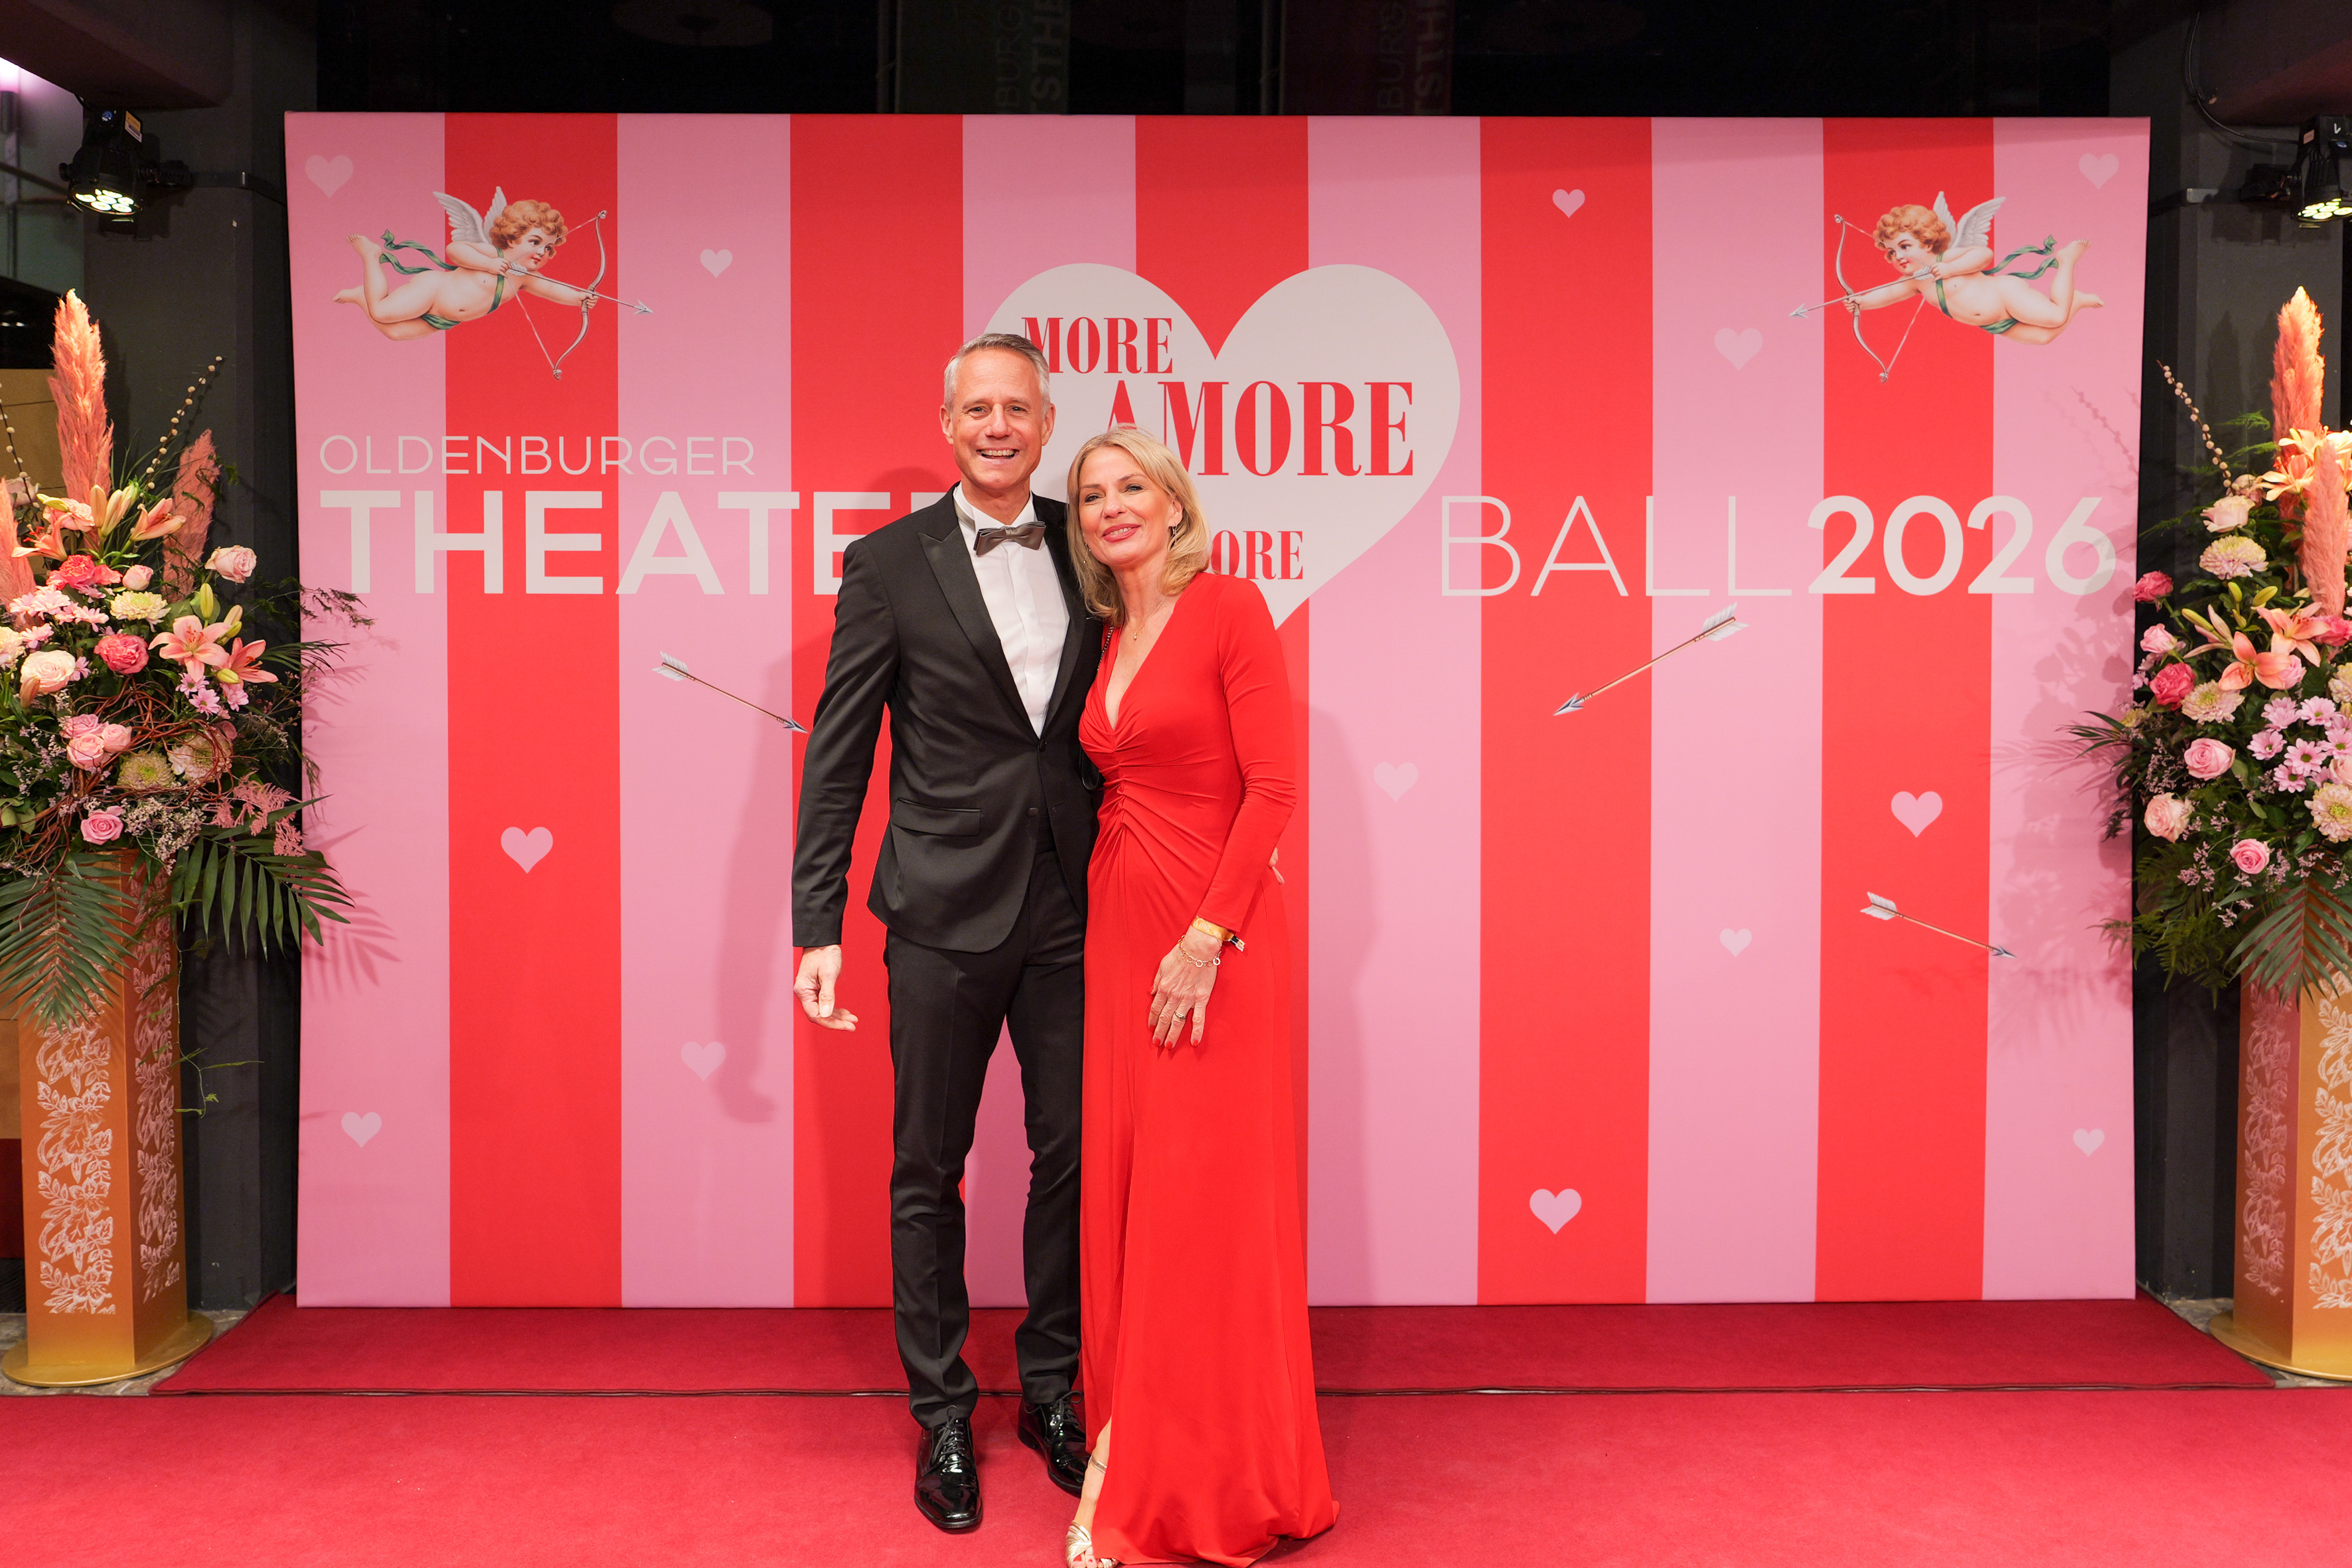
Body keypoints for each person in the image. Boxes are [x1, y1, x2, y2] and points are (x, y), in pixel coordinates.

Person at [791, 332, 1101, 1533]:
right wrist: (818, 920)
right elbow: (839, 751)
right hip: (936, 909)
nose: (997, 427)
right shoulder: (885, 563)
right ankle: (942, 1413)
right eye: (977, 409)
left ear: (1045, 421)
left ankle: (1053, 1389)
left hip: (1074, 905)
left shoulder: (1094, 539)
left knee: (1071, 1157)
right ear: (946, 422)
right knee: (928, 1166)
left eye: (1016, 408)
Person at [1059, 426, 1338, 1567]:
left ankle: (1202, 1475)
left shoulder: (1228, 606)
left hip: (1212, 937)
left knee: (1201, 1205)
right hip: (1120, 927)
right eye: (1091, 496)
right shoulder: (1106, 634)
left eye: (1131, 486)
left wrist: (1208, 936)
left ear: (1174, 504)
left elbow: (1272, 787)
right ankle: (1124, 1439)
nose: (1111, 507)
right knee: (1132, 1191)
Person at [335, 192, 592, 341]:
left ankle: (360, 296)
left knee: (395, 334)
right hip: (433, 290)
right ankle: (371, 255)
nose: (541, 252)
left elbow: (553, 289)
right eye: (535, 242)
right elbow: (455, 250)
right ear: (514, 237)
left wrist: (581, 299)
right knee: (381, 312)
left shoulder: (525, 278)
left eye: (548, 248)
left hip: (444, 319)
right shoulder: (493, 253)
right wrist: (489, 264)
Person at [1849, 196, 2100, 347]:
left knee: (2056, 317)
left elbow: (1984, 255)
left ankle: (2066, 261)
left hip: (2005, 295)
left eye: (1904, 247)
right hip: (1993, 323)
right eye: (1891, 252)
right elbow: (1887, 294)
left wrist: (1951, 268)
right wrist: (1861, 302)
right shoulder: (1915, 282)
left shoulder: (1946, 257)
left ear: (1926, 242)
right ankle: (2076, 301)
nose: (1898, 256)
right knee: (2043, 338)